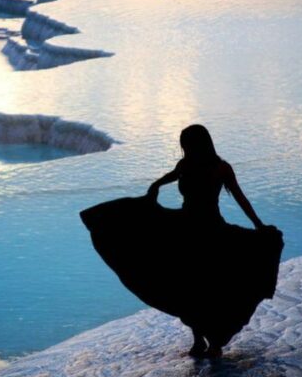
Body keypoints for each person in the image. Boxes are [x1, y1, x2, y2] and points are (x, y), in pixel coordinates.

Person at [80, 124, 283, 358]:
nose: (184, 148)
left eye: (186, 143)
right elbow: (170, 177)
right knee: (186, 288)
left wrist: (259, 226)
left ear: (198, 143)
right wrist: (155, 187)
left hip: (210, 231)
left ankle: (214, 344)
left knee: (208, 289)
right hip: (185, 226)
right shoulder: (186, 164)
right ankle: (198, 341)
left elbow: (240, 198)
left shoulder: (221, 168)